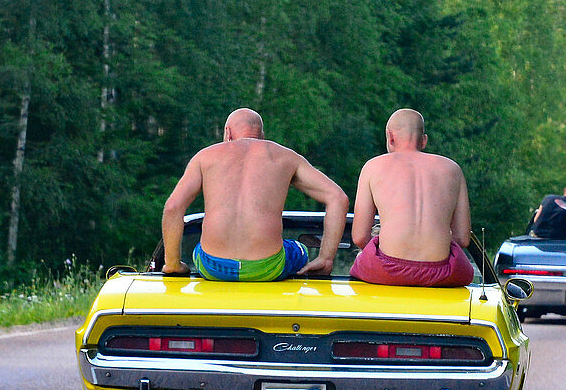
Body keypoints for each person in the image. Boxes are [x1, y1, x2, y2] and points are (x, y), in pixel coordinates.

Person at [161, 108, 348, 281]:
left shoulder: (204, 157)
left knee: (198, 251)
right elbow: (338, 198)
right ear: (262, 136)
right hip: (267, 267)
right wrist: (326, 258)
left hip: (213, 266)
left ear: (227, 132)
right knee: (300, 250)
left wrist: (172, 264)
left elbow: (173, 207)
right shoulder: (286, 157)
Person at [349, 108, 474, 287]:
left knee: (362, 260)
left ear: (390, 137)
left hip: (386, 270)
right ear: (424, 141)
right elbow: (462, 238)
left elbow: (360, 237)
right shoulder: (452, 169)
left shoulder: (372, 167)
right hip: (441, 273)